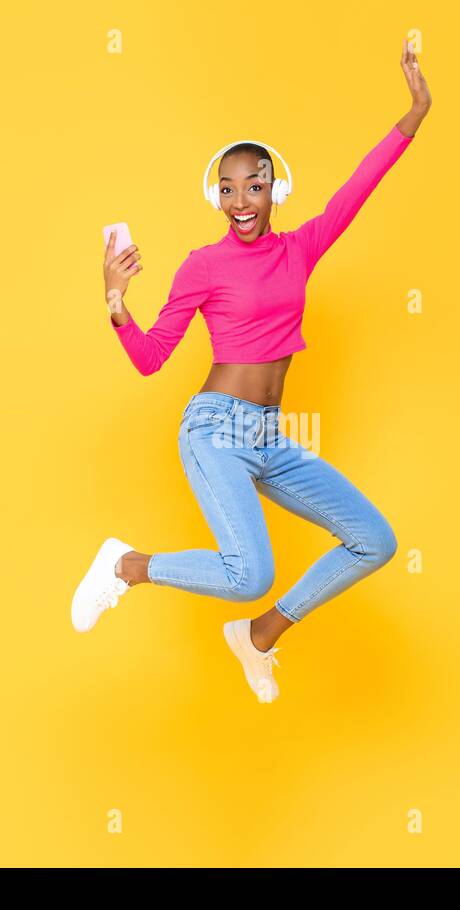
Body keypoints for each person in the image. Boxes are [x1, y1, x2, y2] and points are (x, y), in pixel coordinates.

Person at [74, 39, 432, 702]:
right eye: (230, 188)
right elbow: (152, 358)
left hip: (270, 436)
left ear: (276, 188)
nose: (242, 199)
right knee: (248, 570)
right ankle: (126, 565)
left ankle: (259, 635)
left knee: (373, 540)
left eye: (256, 185)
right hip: (214, 429)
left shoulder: (301, 248)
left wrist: (413, 113)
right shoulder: (202, 266)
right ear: (218, 195)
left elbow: (361, 183)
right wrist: (117, 306)